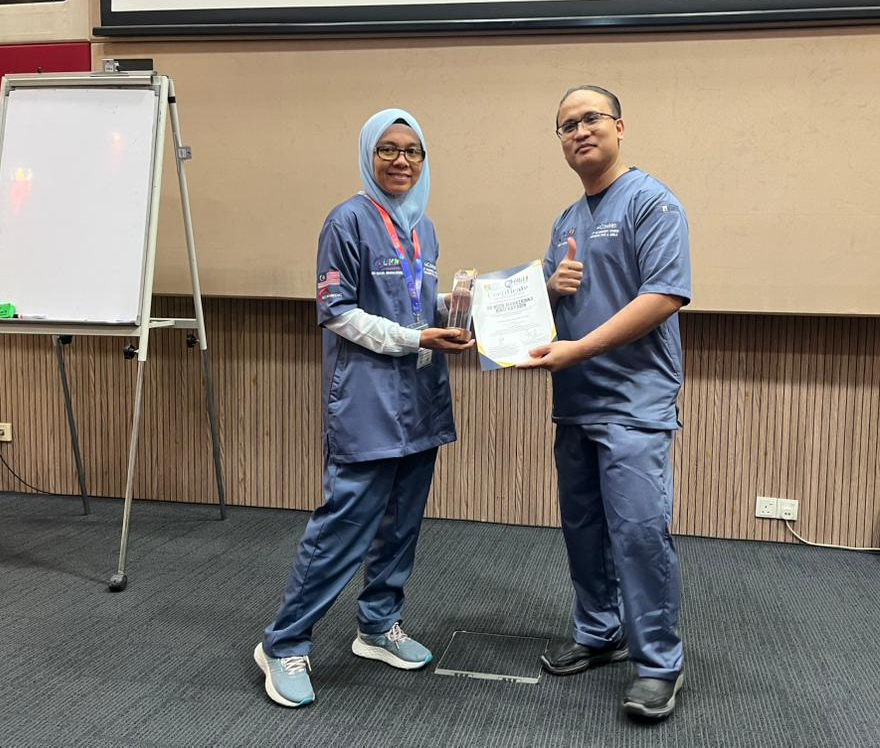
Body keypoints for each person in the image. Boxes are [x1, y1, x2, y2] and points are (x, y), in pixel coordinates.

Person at [254, 108, 474, 708]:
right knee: (345, 526)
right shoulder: (347, 220)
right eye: (388, 149)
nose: (401, 160)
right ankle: (284, 641)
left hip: (420, 399)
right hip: (368, 401)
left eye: (412, 151)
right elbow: (338, 313)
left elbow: (415, 303)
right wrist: (416, 336)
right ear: (368, 156)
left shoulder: (423, 229)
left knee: (402, 524)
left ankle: (378, 624)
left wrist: (460, 308)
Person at [520, 85, 692, 720]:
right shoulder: (566, 221)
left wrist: (582, 348)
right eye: (566, 126)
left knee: (639, 532)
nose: (580, 131)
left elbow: (664, 296)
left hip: (634, 401)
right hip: (576, 401)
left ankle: (659, 663)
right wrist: (548, 287)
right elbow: (541, 310)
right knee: (584, 528)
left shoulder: (652, 201)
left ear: (620, 127)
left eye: (591, 118)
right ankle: (599, 632)